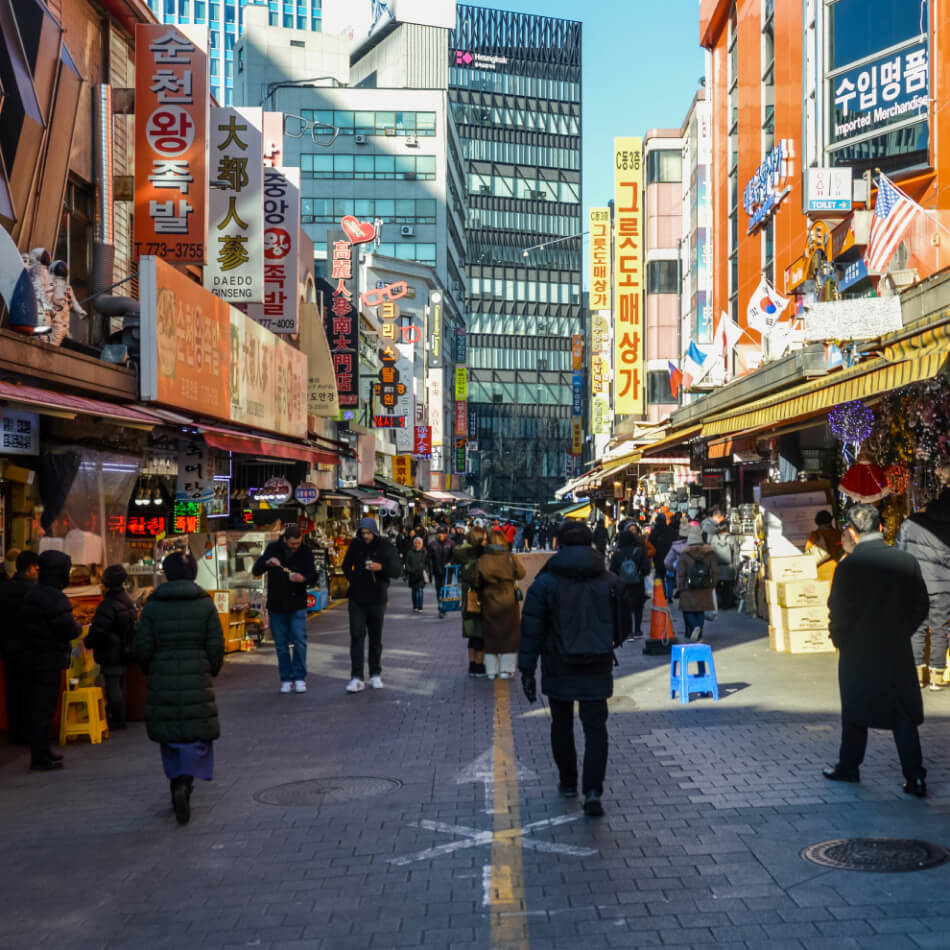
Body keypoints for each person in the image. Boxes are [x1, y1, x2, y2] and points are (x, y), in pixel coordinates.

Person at [824, 504, 930, 797]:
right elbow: (921, 604)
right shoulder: (905, 561)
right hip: (895, 648)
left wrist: (840, 639)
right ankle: (915, 776)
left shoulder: (848, 567)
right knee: (902, 713)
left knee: (855, 709)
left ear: (852, 533)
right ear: (881, 528)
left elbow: (838, 611)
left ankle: (849, 766)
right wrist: (901, 630)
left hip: (857, 650)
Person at [518, 521, 621, 817]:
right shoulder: (608, 579)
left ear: (559, 544)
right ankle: (592, 790)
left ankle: (567, 781)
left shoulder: (545, 582)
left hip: (558, 662)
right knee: (596, 729)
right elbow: (624, 622)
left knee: (561, 725)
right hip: (597, 662)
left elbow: (532, 629)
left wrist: (527, 669)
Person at [132, 552, 224, 824]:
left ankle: (176, 783)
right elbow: (216, 645)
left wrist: (152, 669)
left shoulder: (152, 606)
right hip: (197, 673)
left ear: (166, 574)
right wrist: (211, 668)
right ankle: (187, 782)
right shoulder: (204, 604)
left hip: (162, 673)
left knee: (170, 734)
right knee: (196, 732)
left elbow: (143, 647)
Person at [17, 551, 80, 771]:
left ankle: (42, 750)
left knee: (38, 706)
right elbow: (68, 628)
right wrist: (78, 628)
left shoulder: (33, 593)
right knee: (44, 708)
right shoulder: (54, 598)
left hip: (31, 657)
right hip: (48, 659)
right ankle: (39, 757)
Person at [896, 480, 950, 689]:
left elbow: (899, 550)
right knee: (939, 628)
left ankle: (917, 676)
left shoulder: (912, 522)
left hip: (916, 583)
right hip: (944, 586)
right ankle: (937, 677)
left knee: (917, 627)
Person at [252, 526, 318, 694]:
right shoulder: (273, 548)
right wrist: (268, 562)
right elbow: (256, 570)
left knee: (299, 641)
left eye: (298, 543)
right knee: (281, 644)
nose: (295, 546)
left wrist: (303, 579)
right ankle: (286, 679)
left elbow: (313, 575)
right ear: (285, 539)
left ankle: (300, 677)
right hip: (277, 603)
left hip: (297, 603)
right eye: (292, 543)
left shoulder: (305, 551)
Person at [341, 517, 401, 692]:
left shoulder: (385, 546)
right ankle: (356, 677)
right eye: (363, 533)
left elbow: (397, 570)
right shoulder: (355, 545)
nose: (365, 536)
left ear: (374, 532)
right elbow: (346, 566)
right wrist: (355, 579)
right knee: (356, 636)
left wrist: (380, 567)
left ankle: (375, 673)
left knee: (376, 638)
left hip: (377, 598)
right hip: (357, 598)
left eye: (368, 533)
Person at [83, 564, 136, 730]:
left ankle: (118, 719)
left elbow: (99, 629)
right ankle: (121, 716)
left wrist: (89, 641)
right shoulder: (127, 600)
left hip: (111, 650)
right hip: (124, 649)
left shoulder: (108, 604)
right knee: (120, 684)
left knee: (113, 685)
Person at [473, 529, 526, 679]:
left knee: (491, 634)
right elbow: (522, 574)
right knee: (509, 634)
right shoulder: (510, 557)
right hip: (508, 598)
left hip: (489, 598)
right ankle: (506, 669)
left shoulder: (483, 559)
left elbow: (476, 581)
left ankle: (491, 670)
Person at [0, 550, 40, 745]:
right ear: (30, 568)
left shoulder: (4, 589)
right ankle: (29, 733)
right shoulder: (34, 592)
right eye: (37, 568)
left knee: (12, 691)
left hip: (9, 649)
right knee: (29, 692)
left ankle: (15, 732)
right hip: (30, 649)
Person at [676, 525, 719, 642]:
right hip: (705, 586)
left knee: (688, 610)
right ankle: (699, 634)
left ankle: (695, 627)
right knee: (701, 610)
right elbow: (715, 571)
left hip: (688, 587)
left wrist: (680, 587)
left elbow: (681, 573)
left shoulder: (684, 555)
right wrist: (712, 584)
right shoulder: (709, 553)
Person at [454, 525, 487, 677]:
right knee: (479, 633)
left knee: (472, 633)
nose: (487, 541)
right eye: (484, 538)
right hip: (478, 598)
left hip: (467, 599)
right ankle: (478, 666)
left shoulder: (464, 553)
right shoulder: (478, 556)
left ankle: (472, 665)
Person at [609, 525, 650, 639]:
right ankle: (637, 630)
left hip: (622, 585)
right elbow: (646, 568)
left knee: (625, 608)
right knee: (638, 608)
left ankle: (628, 631)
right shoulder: (639, 551)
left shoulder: (617, 553)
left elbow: (612, 570)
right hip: (637, 584)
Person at [806, 511, 844, 583]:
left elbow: (808, 551)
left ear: (817, 523)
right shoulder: (839, 534)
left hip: (820, 573)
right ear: (830, 520)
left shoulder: (815, 535)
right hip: (837, 572)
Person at [427, 524, 455, 618]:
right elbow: (429, 559)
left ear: (446, 534)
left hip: (448, 572)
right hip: (437, 571)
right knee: (439, 590)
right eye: (439, 533)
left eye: (443, 533)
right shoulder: (432, 544)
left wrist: (450, 563)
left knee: (445, 590)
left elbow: (454, 556)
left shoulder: (451, 543)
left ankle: (443, 608)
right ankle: (440, 608)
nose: (441, 535)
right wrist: (430, 572)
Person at [663, 520, 691, 601]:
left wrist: (673, 568)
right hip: (696, 577)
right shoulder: (697, 544)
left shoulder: (676, 546)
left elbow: (667, 562)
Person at [403, 535, 428, 613]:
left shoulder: (425, 552)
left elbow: (428, 563)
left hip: (421, 575)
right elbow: (407, 563)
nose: (417, 544)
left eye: (419, 543)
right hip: (413, 574)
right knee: (414, 591)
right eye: (416, 543)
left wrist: (426, 570)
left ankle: (420, 606)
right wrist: (409, 570)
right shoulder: (410, 552)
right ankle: (415, 606)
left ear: (422, 544)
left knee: (420, 590)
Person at [647, 513, 673, 582]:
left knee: (659, 576)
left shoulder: (654, 531)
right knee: (668, 576)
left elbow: (650, 543)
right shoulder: (669, 529)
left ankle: (661, 590)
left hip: (657, 556)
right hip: (668, 555)